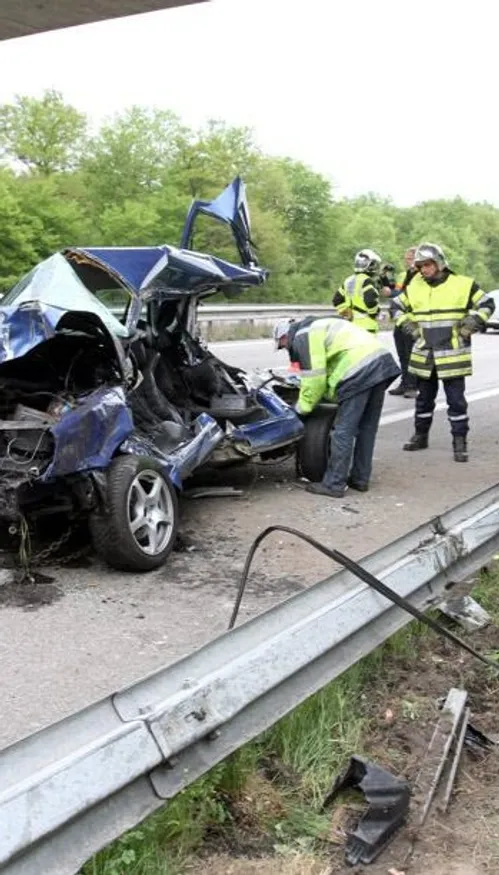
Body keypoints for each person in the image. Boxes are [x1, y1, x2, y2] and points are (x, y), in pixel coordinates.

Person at [273, 315, 400, 497]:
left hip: (359, 371)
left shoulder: (302, 337)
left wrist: (300, 410)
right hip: (381, 365)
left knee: (342, 432)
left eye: (282, 345)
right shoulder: (318, 326)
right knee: (366, 430)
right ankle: (360, 479)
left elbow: (315, 380)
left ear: (285, 336)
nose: (285, 349)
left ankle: (334, 484)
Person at [395, 242, 495, 462]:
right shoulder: (414, 287)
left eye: (427, 265)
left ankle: (460, 443)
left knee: (456, 402)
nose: (424, 270)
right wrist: (410, 327)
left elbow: (487, 303)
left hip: (452, 355)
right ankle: (420, 436)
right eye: (420, 266)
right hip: (425, 354)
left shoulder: (463, 284)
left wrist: (473, 322)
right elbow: (396, 307)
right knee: (423, 400)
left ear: (439, 263)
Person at [386, 247, 419, 398]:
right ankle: (404, 383)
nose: (407, 262)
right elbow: (398, 292)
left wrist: (392, 293)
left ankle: (412, 386)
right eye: (406, 259)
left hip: (413, 319)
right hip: (401, 318)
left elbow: (408, 294)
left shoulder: (421, 276)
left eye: (410, 259)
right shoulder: (405, 274)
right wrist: (389, 288)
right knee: (402, 355)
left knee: (411, 354)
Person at [333, 249, 382, 333]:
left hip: (350, 326)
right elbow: (370, 301)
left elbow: (337, 300)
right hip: (366, 327)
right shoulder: (367, 281)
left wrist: (345, 311)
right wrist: (373, 314)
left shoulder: (348, 280)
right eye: (373, 264)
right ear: (368, 265)